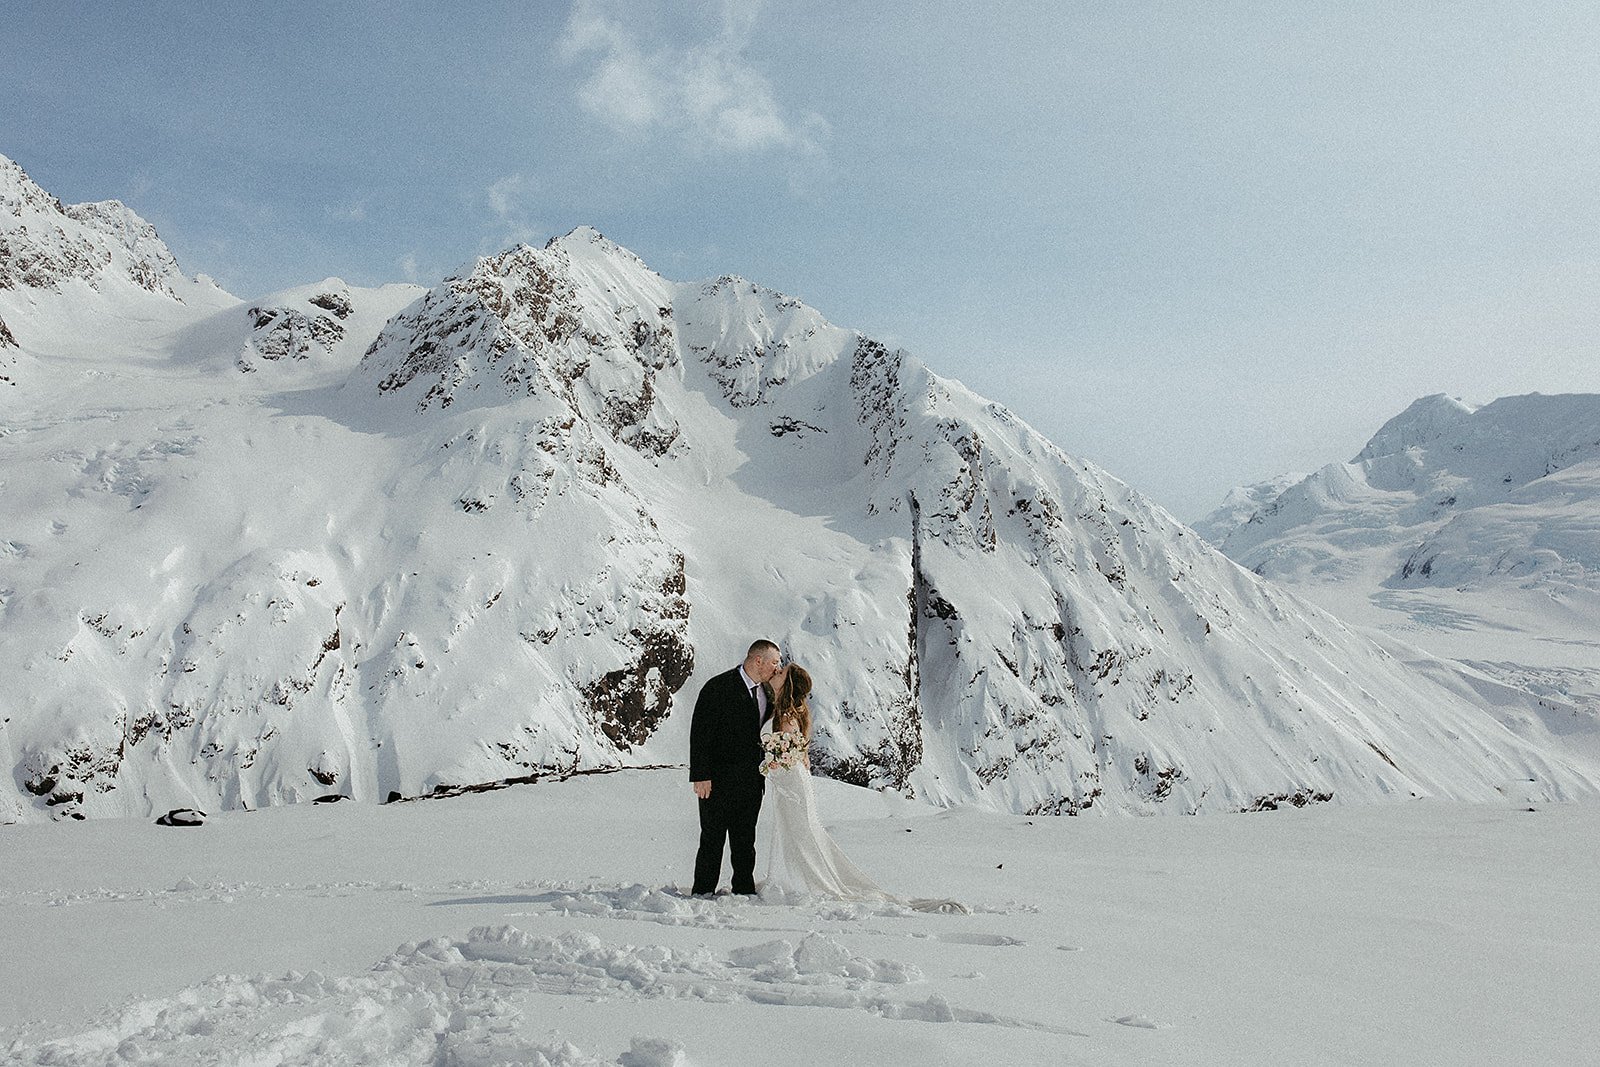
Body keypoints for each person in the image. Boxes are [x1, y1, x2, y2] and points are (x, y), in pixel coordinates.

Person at [761, 662, 968, 913]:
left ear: (788, 684)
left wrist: (771, 761)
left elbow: (787, 753)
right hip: (792, 781)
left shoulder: (786, 715)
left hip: (790, 782)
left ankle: (796, 878)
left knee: (798, 830)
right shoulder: (790, 712)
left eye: (781, 672)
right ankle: (794, 875)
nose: (776, 672)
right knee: (798, 831)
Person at [689, 639, 782, 896]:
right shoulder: (718, 687)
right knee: (712, 838)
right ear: (758, 660)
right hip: (716, 781)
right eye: (774, 662)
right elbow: (700, 733)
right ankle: (703, 891)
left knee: (745, 840)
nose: (777, 667)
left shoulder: (767, 693)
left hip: (751, 781)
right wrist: (701, 775)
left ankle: (744, 889)